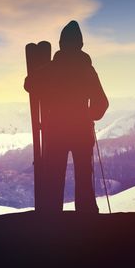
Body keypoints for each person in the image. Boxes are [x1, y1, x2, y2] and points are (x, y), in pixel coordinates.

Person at [24, 20, 109, 214]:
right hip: (81, 129)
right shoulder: (87, 70)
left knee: (54, 175)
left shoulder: (52, 69)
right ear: (80, 44)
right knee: (84, 175)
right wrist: (91, 115)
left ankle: (53, 217)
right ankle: (86, 216)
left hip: (55, 131)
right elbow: (102, 102)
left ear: (61, 43)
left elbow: (29, 84)